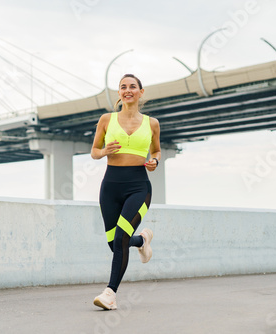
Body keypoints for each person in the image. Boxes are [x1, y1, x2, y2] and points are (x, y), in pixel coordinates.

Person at [90, 73, 161, 310]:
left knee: (121, 238)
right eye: (123, 87)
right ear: (119, 93)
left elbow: (157, 151)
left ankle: (110, 294)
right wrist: (104, 151)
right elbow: (94, 151)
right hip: (110, 186)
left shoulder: (152, 123)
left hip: (138, 186)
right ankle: (142, 240)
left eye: (132, 86)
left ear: (141, 92)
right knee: (114, 243)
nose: (127, 90)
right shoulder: (106, 120)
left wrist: (155, 162)